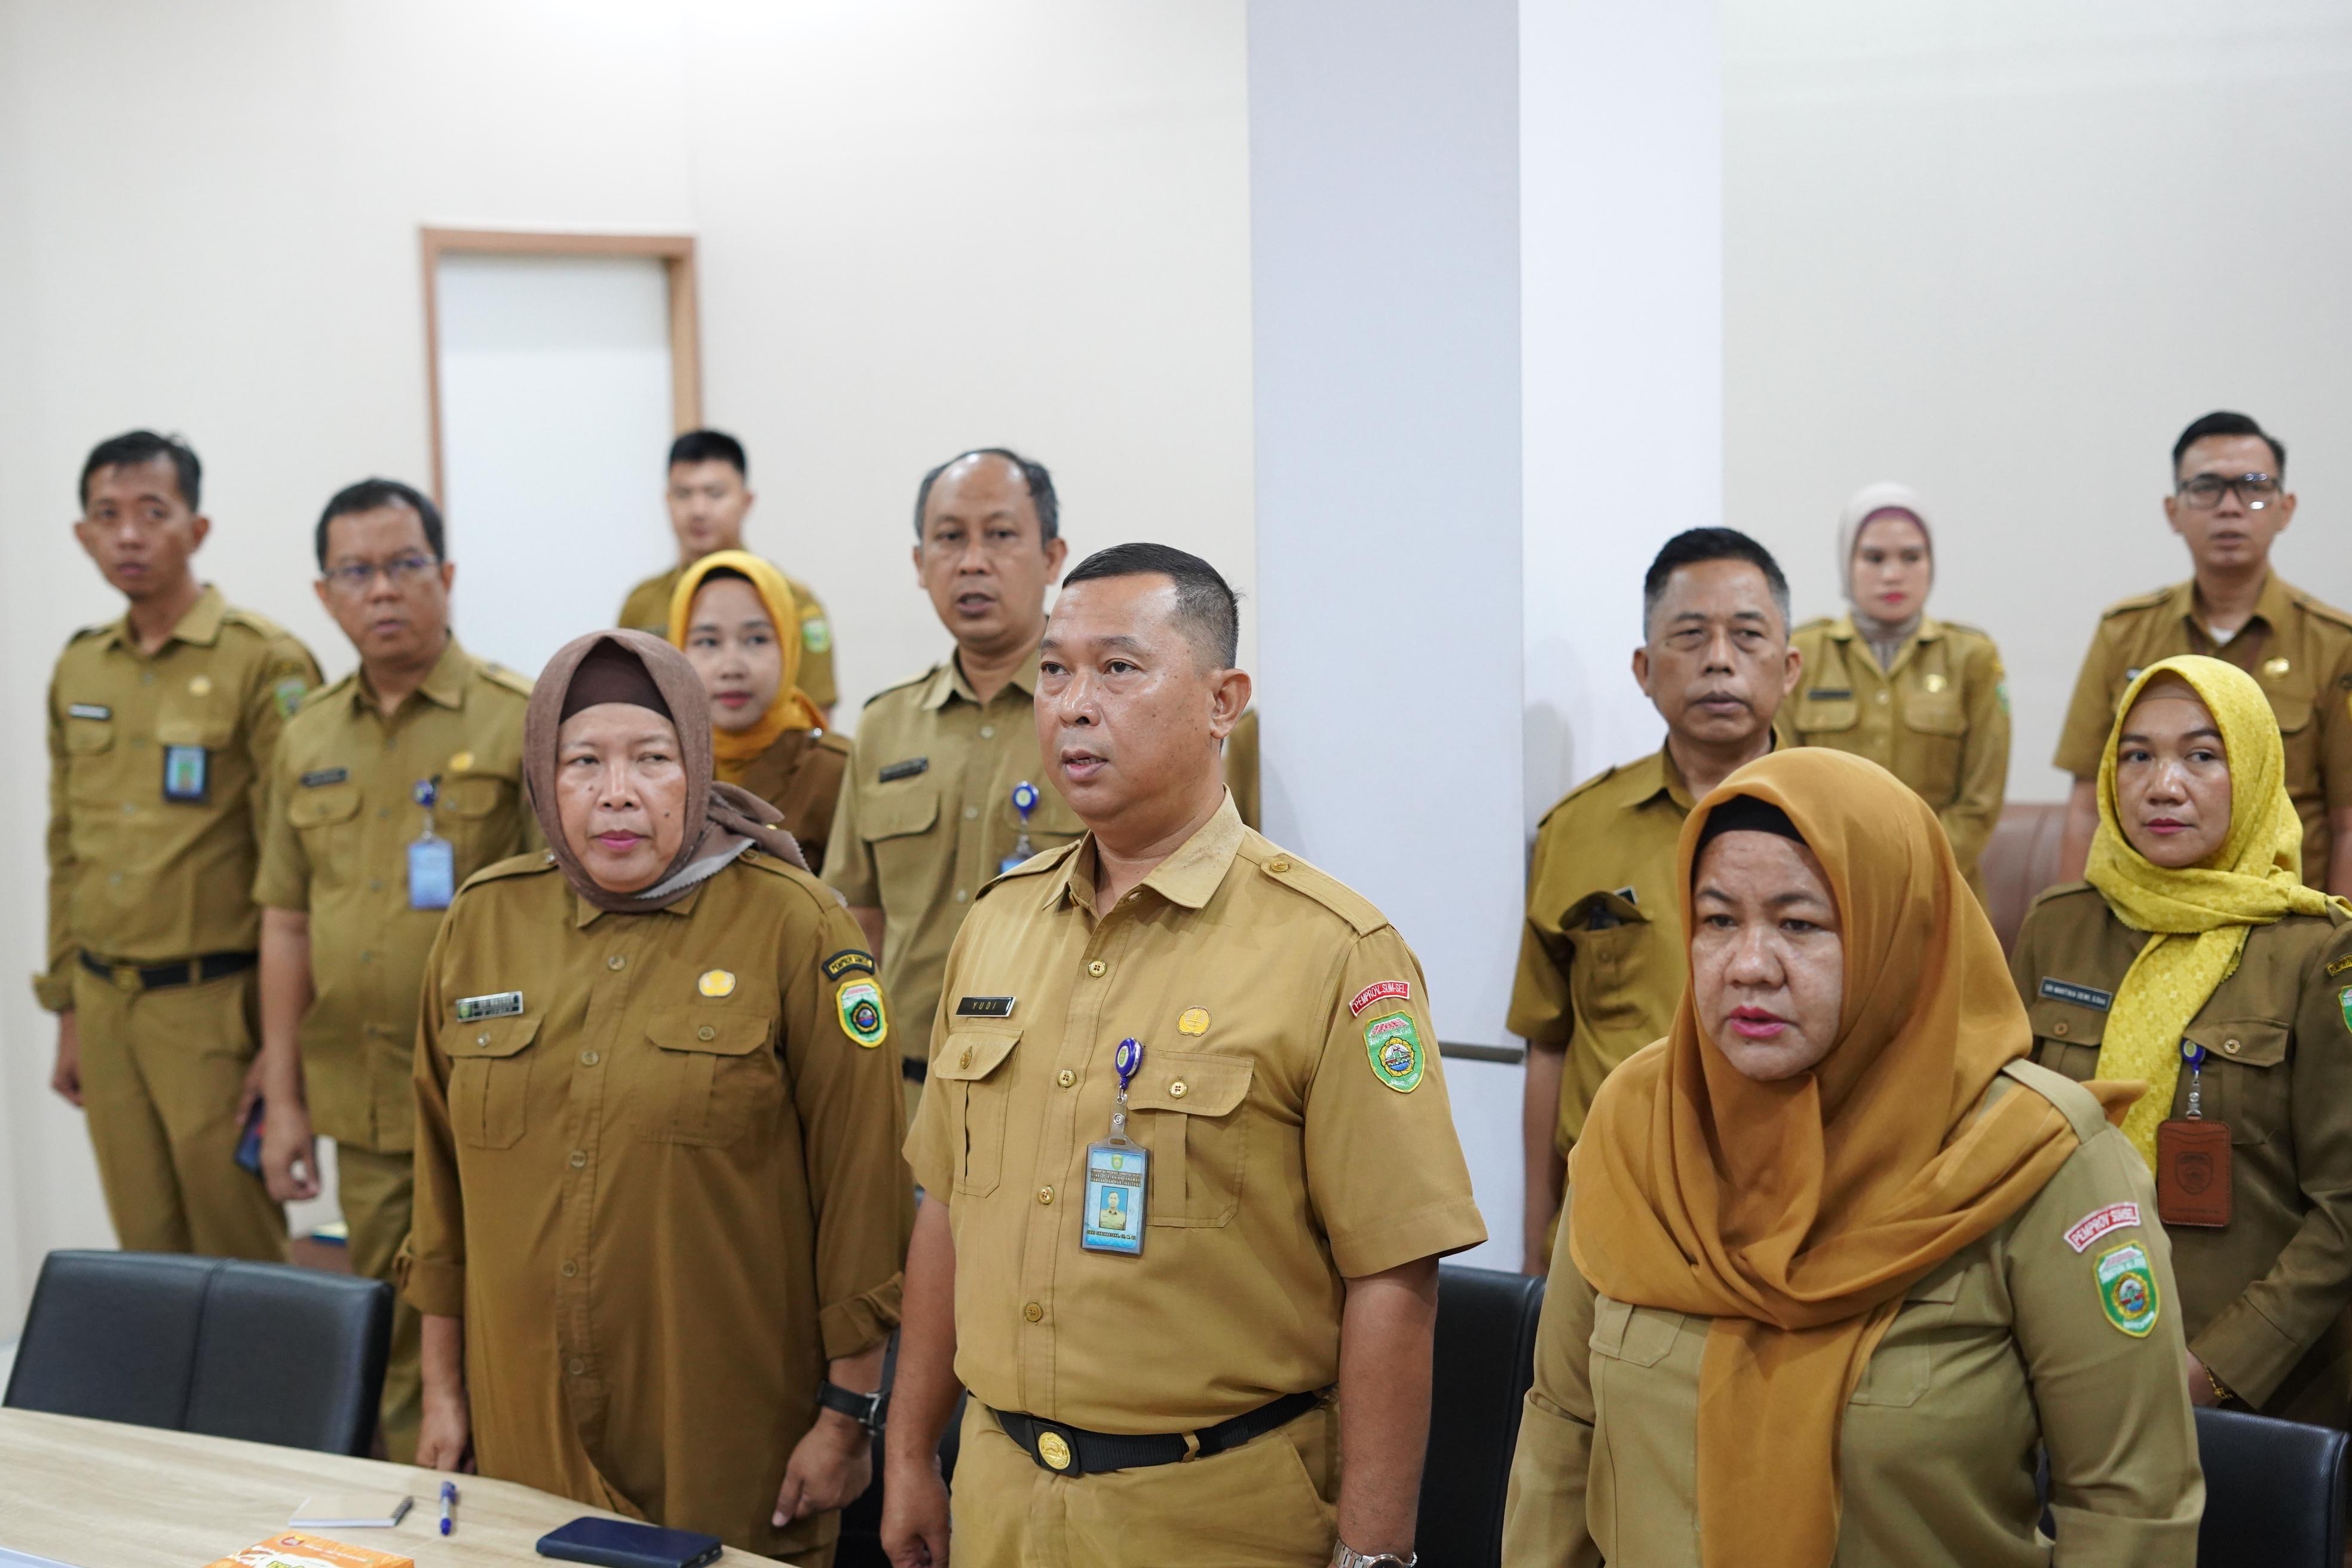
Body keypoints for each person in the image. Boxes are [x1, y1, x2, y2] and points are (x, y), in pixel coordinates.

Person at [880, 544, 1484, 1568]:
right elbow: (946, 1207)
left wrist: (1375, 1553)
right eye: (1055, 671)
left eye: (1118, 669)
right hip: (999, 1496)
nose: (1074, 705)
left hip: (1216, 1512)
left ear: (1221, 701)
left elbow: (1393, 1272)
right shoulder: (996, 926)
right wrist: (907, 1453)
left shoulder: (1331, 949)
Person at [1502, 748, 2204, 1567]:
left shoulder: (2039, 1161)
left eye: (1799, 924)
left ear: (1896, 932)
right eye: (1718, 920)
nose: (1749, 964)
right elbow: (1563, 1427)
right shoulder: (1638, 1121)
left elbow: (2130, 1506)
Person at [407, 631, 909, 1565]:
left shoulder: (797, 926)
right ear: (542, 777)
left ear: (699, 767)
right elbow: (440, 1196)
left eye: (651, 759)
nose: (617, 794)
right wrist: (442, 1393)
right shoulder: (484, 921)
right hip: (523, 1434)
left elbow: (864, 1195)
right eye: (583, 763)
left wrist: (847, 1418)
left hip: (728, 1440)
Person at [249, 478, 535, 1462]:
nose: (383, 590)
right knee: (395, 1327)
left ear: (445, 576)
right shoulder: (307, 736)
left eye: (405, 564)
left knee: (506, 1322)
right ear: (324, 594)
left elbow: (561, 921)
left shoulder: (515, 719)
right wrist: (285, 1098)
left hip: (495, 1097)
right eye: (356, 572)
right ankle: (420, 1515)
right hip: (367, 1099)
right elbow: (286, 923)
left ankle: (505, 1509)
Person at [2013, 654, 2352, 1427]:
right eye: (2137, 756)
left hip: (2253, 1392)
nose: (2163, 785)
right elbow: (1999, 1147)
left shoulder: (2320, 952)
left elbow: (2344, 1211)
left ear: (2255, 771)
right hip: (2055, 1354)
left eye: (2202, 756)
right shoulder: (2058, 927)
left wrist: (2214, 1368)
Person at [42, 430, 319, 1259]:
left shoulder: (263, 661)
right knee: (145, 1256)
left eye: (152, 512)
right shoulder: (81, 668)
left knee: (239, 1258)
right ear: (83, 534)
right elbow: (67, 847)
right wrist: (67, 1008)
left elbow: (303, 865)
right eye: (107, 515)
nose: (128, 534)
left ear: (197, 528)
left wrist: (285, 1050)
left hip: (216, 1007)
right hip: (105, 1006)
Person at [1511, 528, 1799, 1272]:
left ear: (1790, 666)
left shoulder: (1850, 826)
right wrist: (1536, 1244)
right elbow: (1550, 1044)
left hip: (1791, 1215)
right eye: (1690, 635)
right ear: (1644, 668)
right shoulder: (1578, 830)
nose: (1719, 660)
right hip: (1613, 1212)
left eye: (1747, 635)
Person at [823, 449, 1085, 1114]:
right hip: (908, 1090)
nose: (972, 561)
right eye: (949, 538)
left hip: (1061, 1090)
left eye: (1000, 534)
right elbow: (859, 919)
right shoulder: (884, 724)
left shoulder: (1096, 714)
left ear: (1052, 557)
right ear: (920, 563)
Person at [2055, 411, 2352, 895]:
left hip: (2282, 922)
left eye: (2254, 487)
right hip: (2142, 914)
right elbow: (2088, 803)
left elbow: (2347, 823)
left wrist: (2338, 938)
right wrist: (2071, 925)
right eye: (2207, 488)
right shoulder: (2125, 633)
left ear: (2285, 509)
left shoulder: (2336, 644)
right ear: (2174, 511)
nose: (2230, 507)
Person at [1787, 483, 2008, 899]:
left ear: (1931, 564)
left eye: (1911, 557)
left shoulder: (1972, 657)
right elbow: (1785, 784)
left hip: (1942, 893)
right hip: (1825, 890)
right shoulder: (1803, 655)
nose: (1893, 574)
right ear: (1847, 564)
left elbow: (1980, 802)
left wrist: (1910, 872)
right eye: (1874, 558)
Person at [617, 429, 839, 718]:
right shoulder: (642, 605)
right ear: (667, 501)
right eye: (683, 494)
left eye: (715, 494)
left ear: (746, 502)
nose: (698, 510)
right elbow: (626, 709)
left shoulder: (794, 602)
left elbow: (815, 715)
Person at [667, 549, 849, 873]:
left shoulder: (836, 772)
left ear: (789, 646)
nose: (732, 667)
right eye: (708, 642)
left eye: (756, 640)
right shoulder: (661, 766)